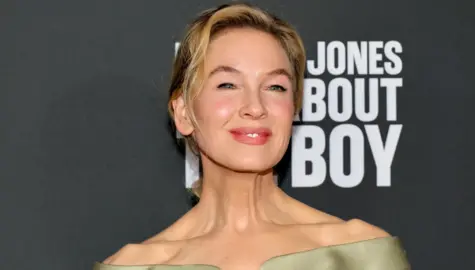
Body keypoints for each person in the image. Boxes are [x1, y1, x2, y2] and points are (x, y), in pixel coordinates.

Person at [93, 2, 410, 270]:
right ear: (184, 113)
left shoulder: (360, 253)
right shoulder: (133, 265)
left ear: (293, 108)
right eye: (227, 85)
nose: (255, 107)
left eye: (275, 87)